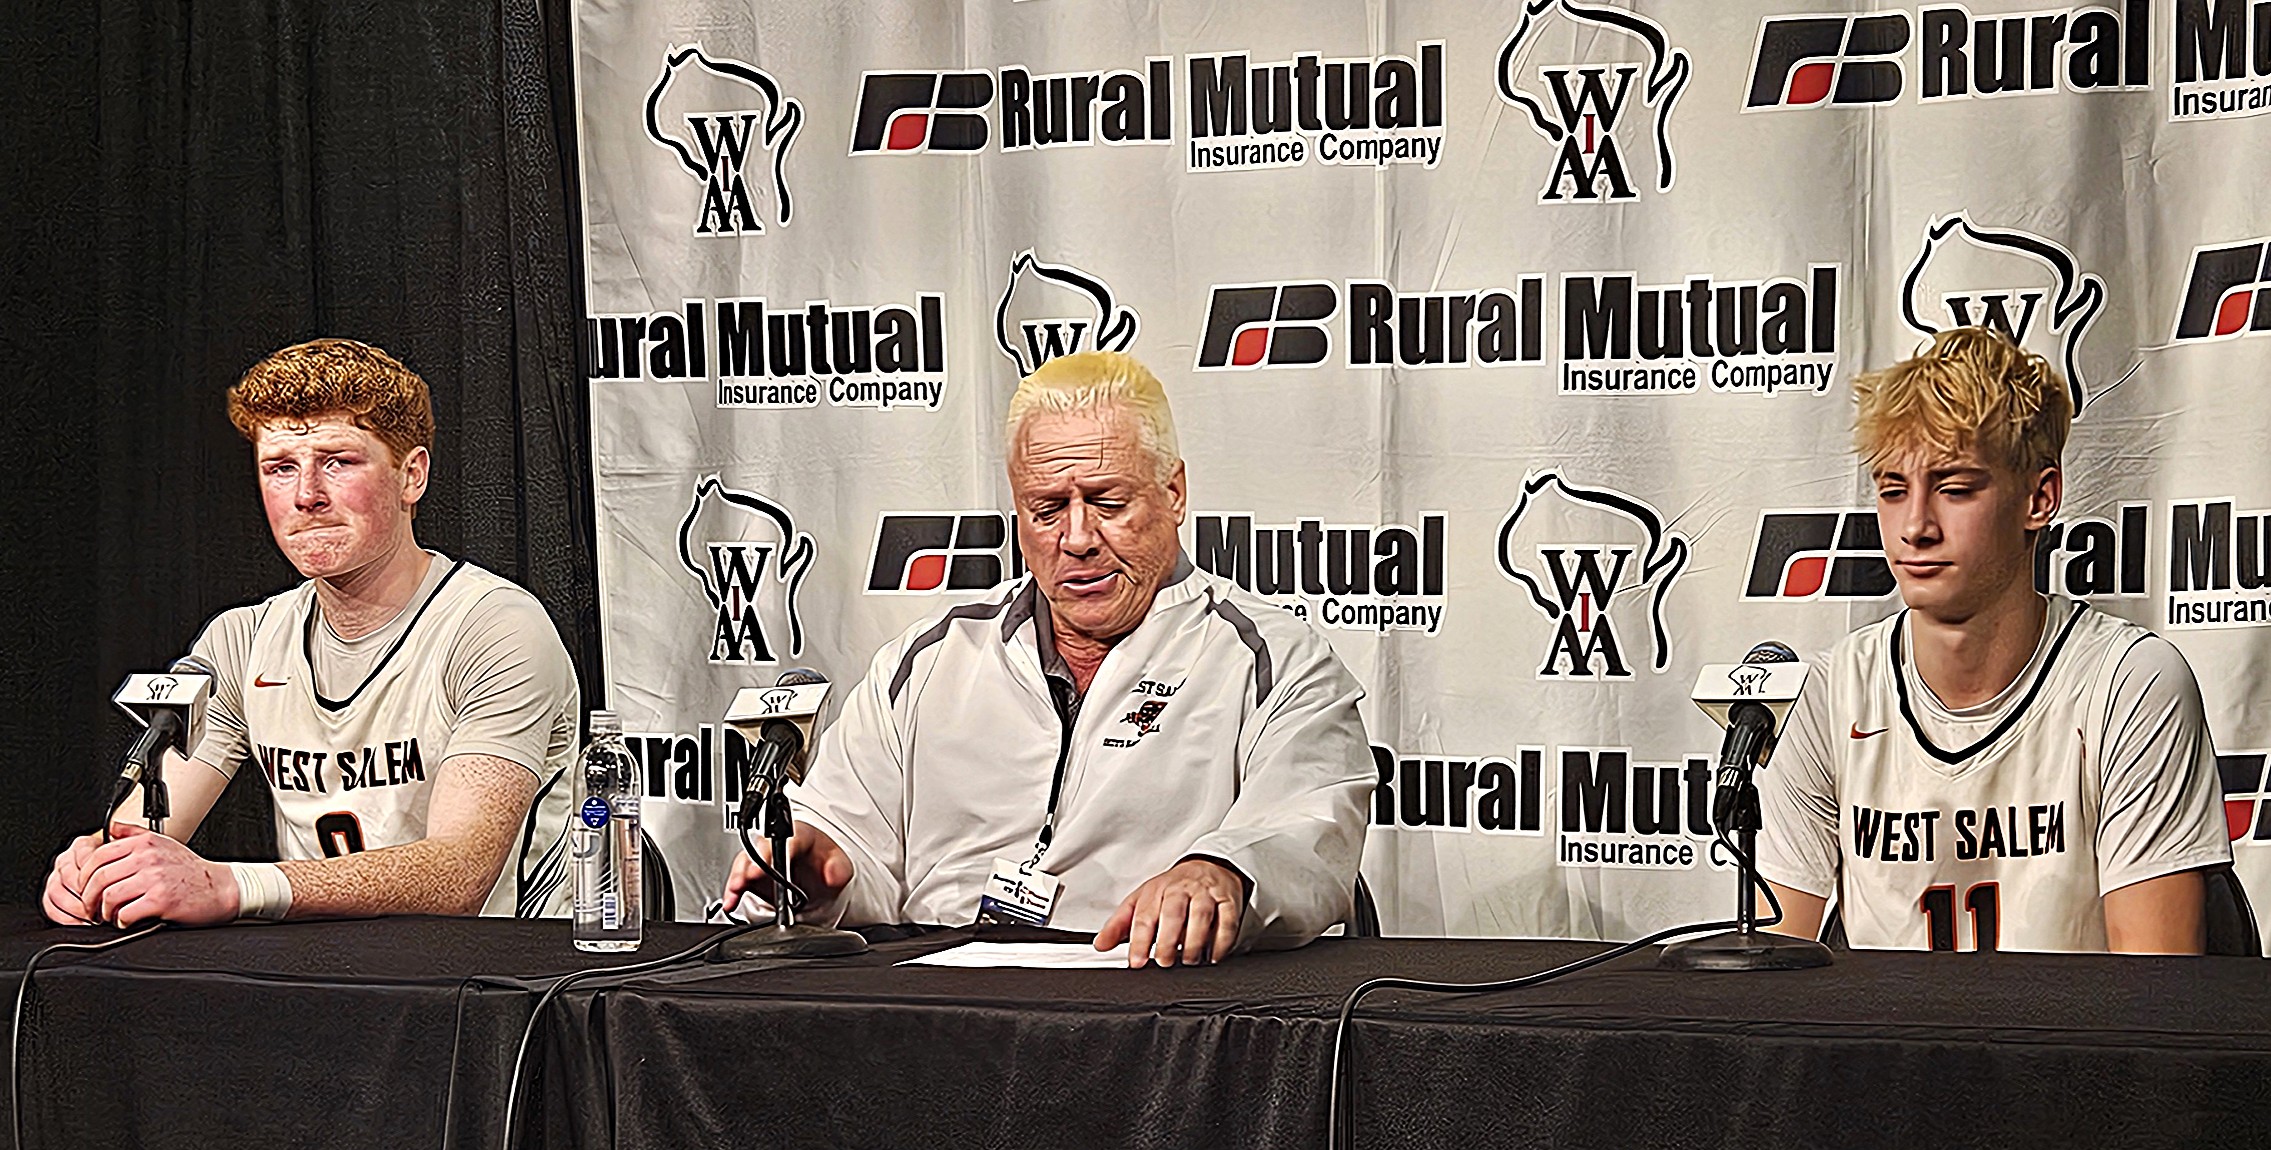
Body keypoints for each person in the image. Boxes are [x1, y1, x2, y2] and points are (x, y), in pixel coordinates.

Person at [720, 350, 1374, 966]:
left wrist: (1223, 871)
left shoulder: (1272, 661)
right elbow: (846, 839)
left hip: (1146, 1010)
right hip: (933, 1016)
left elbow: (1309, 830)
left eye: (1108, 503)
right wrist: (816, 872)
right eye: (1047, 508)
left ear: (1173, 492)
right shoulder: (928, 660)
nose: (1078, 537)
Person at [43, 337, 581, 927]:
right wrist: (97, 870)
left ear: (412, 476)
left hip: (497, 984)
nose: (307, 496)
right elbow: (148, 828)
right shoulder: (241, 640)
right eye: (280, 468)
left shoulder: (495, 628)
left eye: (339, 462)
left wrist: (230, 885)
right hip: (321, 980)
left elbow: (459, 875)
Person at [1756, 326, 2229, 953]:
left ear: (2040, 497)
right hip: (1882, 1051)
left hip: (2074, 1051)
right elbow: (1773, 992)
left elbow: (2153, 1002)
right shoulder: (1829, 695)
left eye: (1954, 489)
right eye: (1893, 491)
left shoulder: (2129, 683)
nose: (1916, 527)